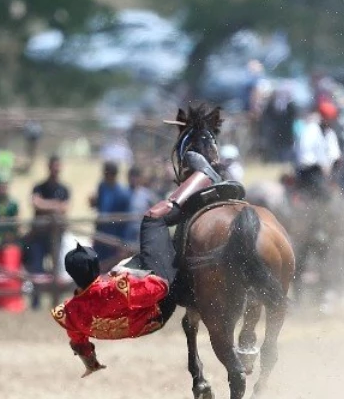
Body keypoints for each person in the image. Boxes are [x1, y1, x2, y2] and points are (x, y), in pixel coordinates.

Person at [52, 151, 232, 376]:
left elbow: (78, 340)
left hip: (146, 325)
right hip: (159, 303)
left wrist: (91, 363)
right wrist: (130, 273)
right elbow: (159, 289)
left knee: (146, 253)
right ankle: (204, 178)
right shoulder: (113, 288)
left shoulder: (70, 311)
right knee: (152, 218)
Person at [24, 155, 71, 309]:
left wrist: (47, 205)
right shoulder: (39, 187)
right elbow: (36, 203)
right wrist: (54, 205)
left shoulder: (64, 189)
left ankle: (57, 304)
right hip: (38, 236)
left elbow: (64, 208)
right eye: (53, 166)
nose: (55, 169)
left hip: (56, 237)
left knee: (56, 270)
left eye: (58, 166)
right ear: (49, 167)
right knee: (36, 269)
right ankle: (35, 304)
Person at [90, 161, 132, 264]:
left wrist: (123, 245)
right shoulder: (102, 187)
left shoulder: (123, 194)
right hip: (101, 236)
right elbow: (100, 208)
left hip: (114, 239)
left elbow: (125, 222)